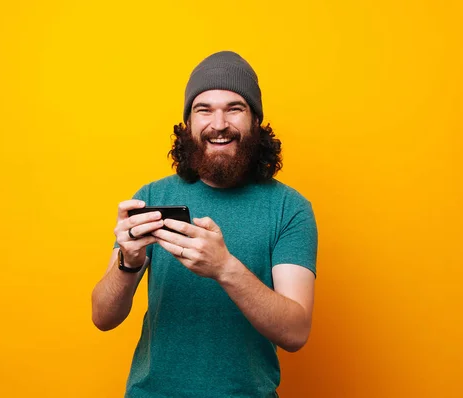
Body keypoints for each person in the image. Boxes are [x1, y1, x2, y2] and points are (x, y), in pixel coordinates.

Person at [91, 51, 318, 398]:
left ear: (256, 122)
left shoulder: (290, 209)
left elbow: (296, 333)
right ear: (188, 125)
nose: (219, 123)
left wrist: (225, 268)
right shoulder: (151, 197)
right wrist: (129, 262)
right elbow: (102, 317)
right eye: (204, 109)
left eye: (234, 108)